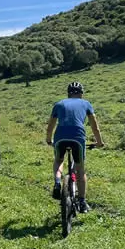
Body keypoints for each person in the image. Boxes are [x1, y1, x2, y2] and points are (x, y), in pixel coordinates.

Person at [45, 81, 104, 213]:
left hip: (60, 136)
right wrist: (99, 142)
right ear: (81, 94)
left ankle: (57, 181)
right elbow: (95, 127)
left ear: (68, 93)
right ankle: (82, 202)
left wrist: (49, 140)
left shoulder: (59, 104)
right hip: (77, 137)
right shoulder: (86, 104)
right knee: (80, 170)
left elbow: (50, 127)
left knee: (59, 160)